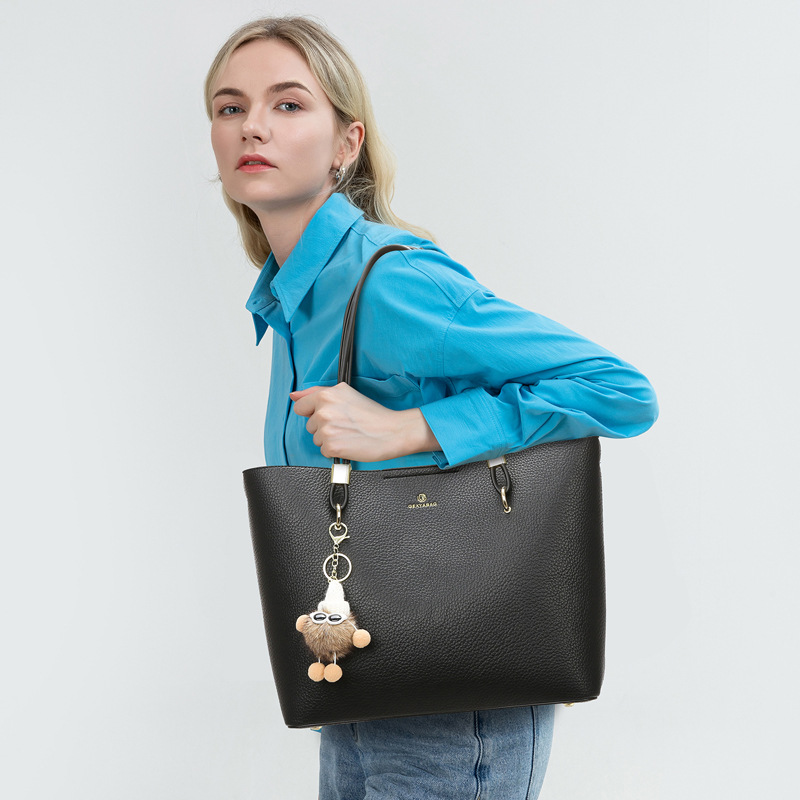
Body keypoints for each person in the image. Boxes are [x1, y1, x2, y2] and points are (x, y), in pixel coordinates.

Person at [205, 16, 658, 800]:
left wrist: (409, 429)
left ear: (346, 144)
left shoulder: (391, 283)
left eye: (288, 104)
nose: (252, 126)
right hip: (360, 679)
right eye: (229, 107)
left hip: (454, 699)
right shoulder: (293, 300)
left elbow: (619, 390)